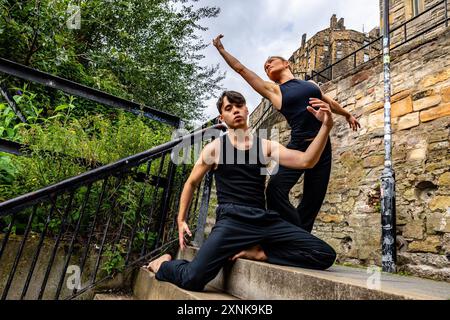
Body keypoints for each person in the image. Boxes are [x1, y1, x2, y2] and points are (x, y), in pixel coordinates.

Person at [146, 90, 336, 292]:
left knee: (323, 254)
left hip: (263, 220)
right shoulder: (215, 149)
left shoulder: (265, 146)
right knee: (193, 278)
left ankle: (260, 252)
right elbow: (191, 183)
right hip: (231, 221)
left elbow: (307, 160)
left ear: (246, 109)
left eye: (239, 106)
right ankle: (164, 264)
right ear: (222, 117)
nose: (235, 111)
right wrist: (181, 219)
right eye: (229, 108)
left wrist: (326, 126)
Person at [212, 35, 361, 233]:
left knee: (313, 198)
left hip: (322, 146)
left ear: (286, 63)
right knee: (275, 189)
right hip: (298, 145)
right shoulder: (274, 91)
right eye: (265, 66)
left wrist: (347, 114)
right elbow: (241, 69)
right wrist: (221, 50)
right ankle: (292, 233)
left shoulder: (311, 85)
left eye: (270, 61)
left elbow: (329, 103)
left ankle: (301, 242)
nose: (266, 65)